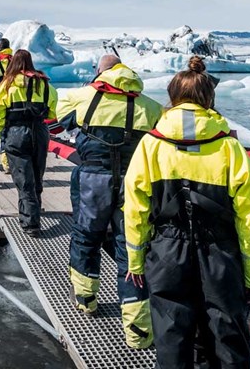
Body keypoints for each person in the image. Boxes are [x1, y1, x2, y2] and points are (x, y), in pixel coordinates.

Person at [124, 56, 250, 368]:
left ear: (172, 97)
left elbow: (135, 209)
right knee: (227, 336)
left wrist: (135, 262)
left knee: (172, 335)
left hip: (166, 252)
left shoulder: (150, 145)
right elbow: (249, 218)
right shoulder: (230, 148)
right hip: (220, 255)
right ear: (209, 98)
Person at [56, 55, 164, 349]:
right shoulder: (151, 107)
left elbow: (61, 120)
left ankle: (86, 299)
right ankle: (138, 331)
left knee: (85, 238)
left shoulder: (81, 96)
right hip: (134, 186)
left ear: (100, 73)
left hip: (92, 180)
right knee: (131, 251)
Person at [0, 49, 57, 235]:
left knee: (23, 178)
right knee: (37, 174)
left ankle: (30, 224)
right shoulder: (45, 84)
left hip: (16, 133)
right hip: (39, 132)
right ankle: (35, 212)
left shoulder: (7, 84)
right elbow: (52, 111)